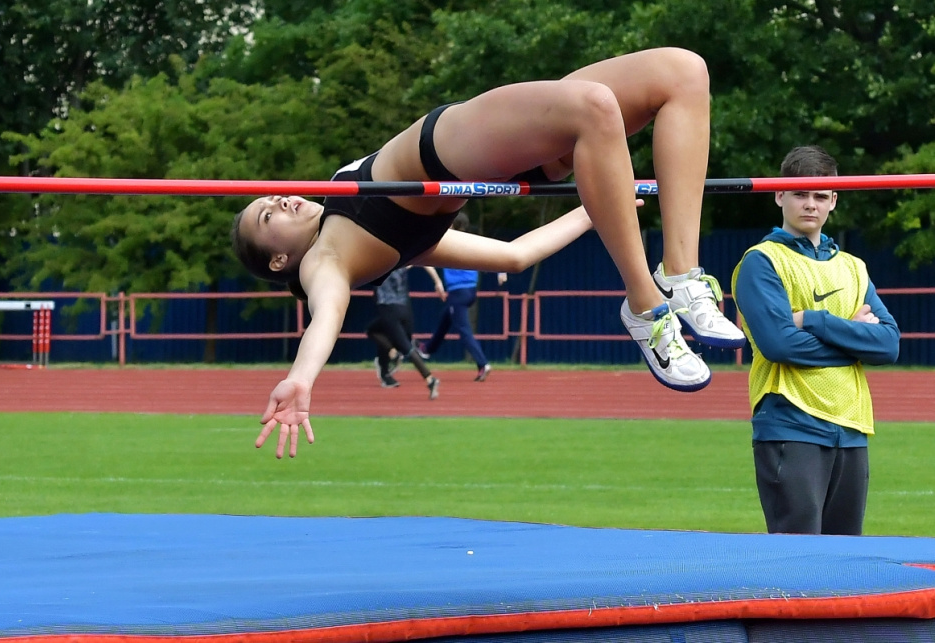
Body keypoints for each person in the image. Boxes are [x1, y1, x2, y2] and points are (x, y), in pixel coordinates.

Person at [232, 47, 744, 459]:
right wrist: (300, 379)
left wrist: (597, 207)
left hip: (506, 146)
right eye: (266, 217)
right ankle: (645, 304)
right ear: (279, 262)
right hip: (460, 146)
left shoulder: (393, 241)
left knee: (683, 72)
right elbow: (326, 314)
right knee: (597, 105)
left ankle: (681, 273)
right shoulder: (325, 261)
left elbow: (515, 255)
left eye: (270, 200)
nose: (278, 201)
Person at [731, 145, 900, 535]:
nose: (811, 204)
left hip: (852, 428)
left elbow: (888, 344)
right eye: (800, 194)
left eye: (821, 196)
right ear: (779, 195)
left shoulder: (853, 267)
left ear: (834, 201)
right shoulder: (762, 261)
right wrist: (854, 340)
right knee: (799, 557)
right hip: (790, 425)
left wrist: (813, 319)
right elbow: (780, 345)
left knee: (843, 557)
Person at [417, 213, 495, 382]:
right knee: (446, 319)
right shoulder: (471, 241)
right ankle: (427, 349)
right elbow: (492, 254)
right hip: (469, 291)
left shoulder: (448, 240)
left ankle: (482, 363)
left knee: (463, 329)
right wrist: (501, 271)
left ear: (452, 224)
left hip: (459, 292)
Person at [367, 265, 443, 398]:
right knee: (373, 330)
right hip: (404, 309)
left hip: (388, 310)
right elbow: (425, 263)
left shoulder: (378, 266)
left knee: (406, 347)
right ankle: (391, 357)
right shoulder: (402, 264)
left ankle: (429, 378)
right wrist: (438, 281)